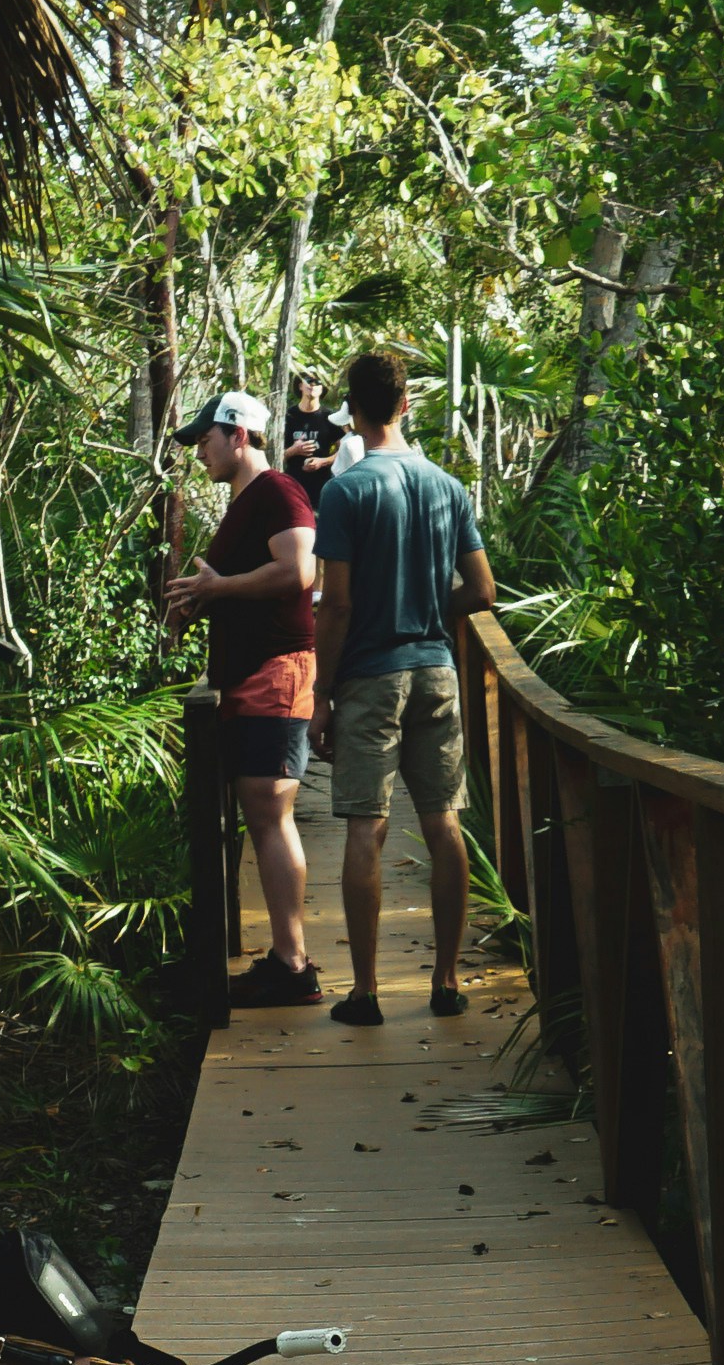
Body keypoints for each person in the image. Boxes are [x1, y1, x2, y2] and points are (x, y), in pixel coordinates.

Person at [306, 343, 494, 1025]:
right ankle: (446, 983)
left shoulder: (346, 491)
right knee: (445, 824)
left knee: (367, 826)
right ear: (406, 404)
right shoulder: (448, 486)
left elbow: (340, 606)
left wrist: (321, 695)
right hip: (437, 671)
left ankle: (365, 993)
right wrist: (425, 610)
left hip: (371, 678)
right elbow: (482, 590)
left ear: (353, 413)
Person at [153, 395, 326, 1005]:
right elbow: (250, 583)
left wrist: (221, 586)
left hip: (276, 672)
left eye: (206, 438)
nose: (199, 450)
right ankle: (286, 957)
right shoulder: (244, 504)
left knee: (271, 814)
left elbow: (301, 570)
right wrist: (207, 598)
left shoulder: (279, 491)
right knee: (260, 814)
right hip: (251, 674)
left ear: (239, 435)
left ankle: (293, 964)